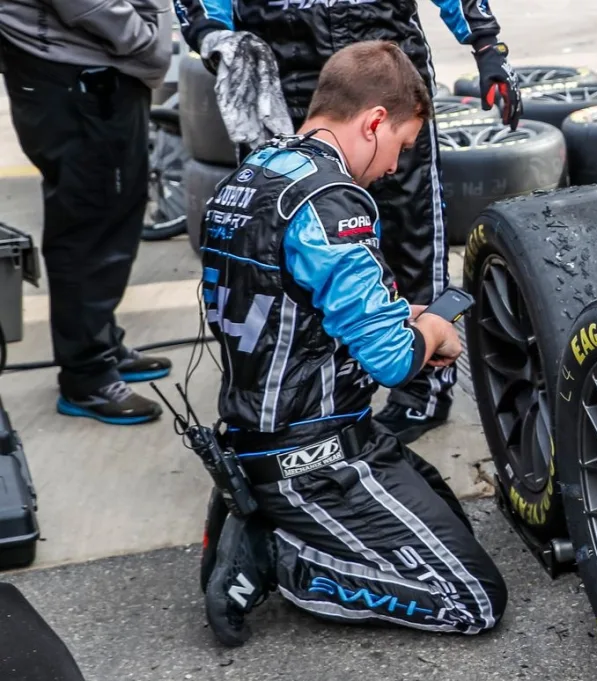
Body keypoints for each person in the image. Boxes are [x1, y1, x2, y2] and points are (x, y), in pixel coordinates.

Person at [198, 41, 507, 647]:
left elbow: (293, 300)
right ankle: (275, 554)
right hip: (310, 455)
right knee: (470, 599)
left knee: (448, 513)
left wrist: (405, 315)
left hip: (274, 429)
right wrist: (432, 333)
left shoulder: (253, 175)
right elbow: (393, 360)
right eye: (401, 144)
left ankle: (260, 508)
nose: (394, 166)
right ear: (372, 122)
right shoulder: (331, 203)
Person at [174, 0, 524, 444]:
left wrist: (487, 44)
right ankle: (289, 397)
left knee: (412, 234)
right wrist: (211, 35)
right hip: (287, 79)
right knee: (272, 247)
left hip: (388, 77)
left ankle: (421, 389)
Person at [0, 1, 175, 425]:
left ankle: (99, 345)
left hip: (85, 72)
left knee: (110, 214)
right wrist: (147, 40)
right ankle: (88, 377)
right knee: (90, 227)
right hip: (73, 78)